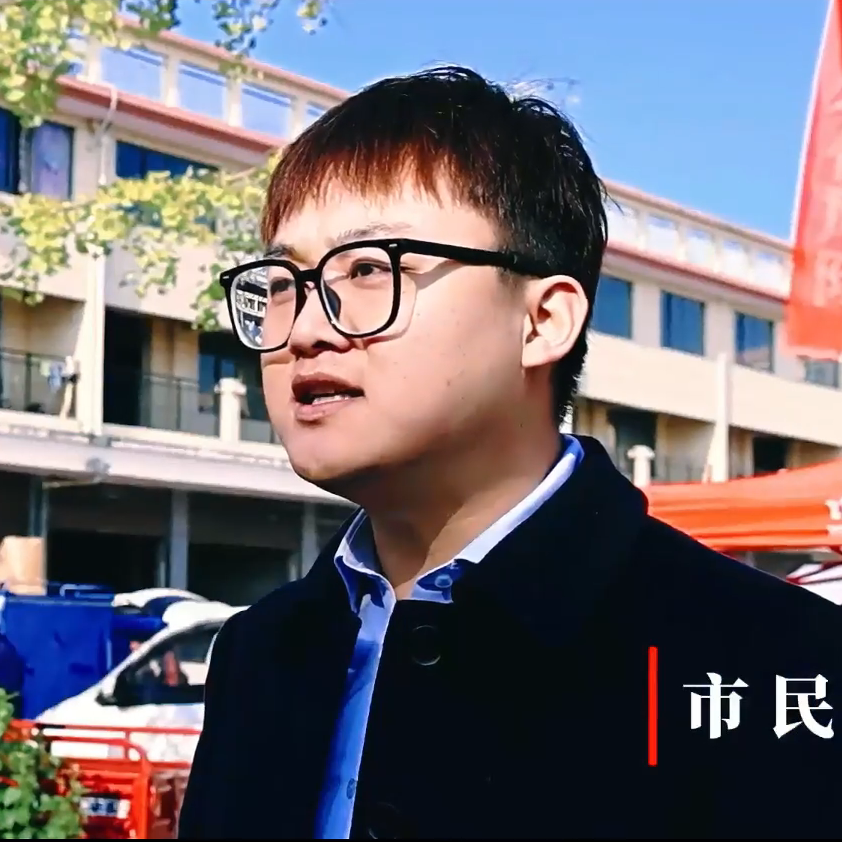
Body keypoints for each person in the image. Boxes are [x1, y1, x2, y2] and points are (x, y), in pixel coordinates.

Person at [178, 66, 842, 839]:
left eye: (369, 269)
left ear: (542, 321)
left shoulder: (776, 663)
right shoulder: (259, 653)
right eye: (283, 282)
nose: (304, 330)